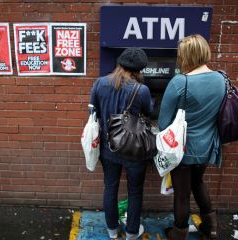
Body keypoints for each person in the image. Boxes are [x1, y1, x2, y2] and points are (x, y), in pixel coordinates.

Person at [158, 35, 225, 240]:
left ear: (187, 55)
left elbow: (163, 122)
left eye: (180, 55)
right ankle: (211, 228)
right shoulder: (221, 78)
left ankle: (179, 233)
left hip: (184, 150)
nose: (179, 59)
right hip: (207, 146)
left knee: (182, 193)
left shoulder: (180, 82)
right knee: (198, 183)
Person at [90, 48, 153, 240]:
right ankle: (132, 232)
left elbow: (93, 114)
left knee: (110, 187)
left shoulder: (100, 83)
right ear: (139, 69)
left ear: (119, 63)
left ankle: (112, 231)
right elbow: (149, 111)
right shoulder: (141, 89)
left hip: (109, 148)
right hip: (134, 149)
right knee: (135, 192)